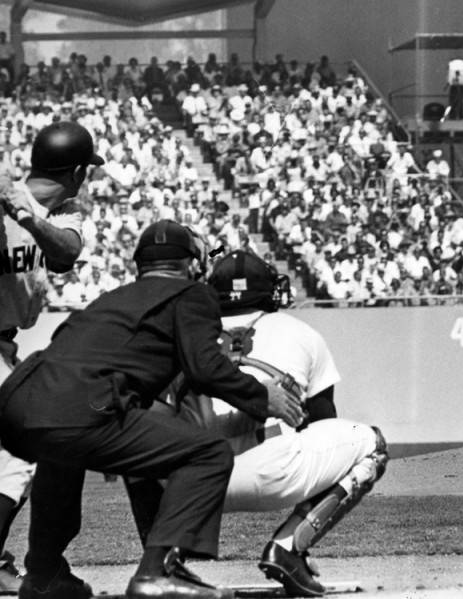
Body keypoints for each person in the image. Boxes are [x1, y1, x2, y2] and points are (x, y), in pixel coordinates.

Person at [0, 220, 306, 599]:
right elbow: (204, 368)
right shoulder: (192, 294)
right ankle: (156, 572)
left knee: (61, 452)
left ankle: (44, 575)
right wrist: (263, 397)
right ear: (192, 263)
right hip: (84, 408)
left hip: (23, 405)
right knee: (206, 455)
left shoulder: (110, 300)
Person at [126, 249, 389, 597]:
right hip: (274, 468)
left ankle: (161, 561)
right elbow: (323, 421)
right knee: (373, 444)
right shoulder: (301, 332)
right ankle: (290, 547)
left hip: (190, 486)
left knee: (137, 437)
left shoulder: (183, 335)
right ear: (269, 289)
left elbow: (150, 414)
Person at [0, 120, 103, 592]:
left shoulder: (62, 210)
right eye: (89, 170)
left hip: (5, 347)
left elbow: (65, 253)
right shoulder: (6, 192)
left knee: (52, 441)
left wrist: (27, 218)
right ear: (79, 169)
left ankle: (43, 568)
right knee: (17, 463)